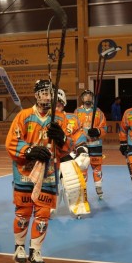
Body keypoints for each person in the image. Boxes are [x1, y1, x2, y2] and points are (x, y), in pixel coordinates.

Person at [5, 79, 73, 263]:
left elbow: (67, 148)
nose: (46, 96)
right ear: (36, 95)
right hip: (24, 173)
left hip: (48, 173)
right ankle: (19, 247)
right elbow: (11, 142)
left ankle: (35, 251)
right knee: (23, 212)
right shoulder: (23, 116)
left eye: (49, 93)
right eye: (43, 92)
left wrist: (62, 139)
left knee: (43, 214)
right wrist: (30, 151)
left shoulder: (60, 118)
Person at [54, 89, 90, 218]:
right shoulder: (41, 118)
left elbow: (79, 136)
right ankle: (47, 208)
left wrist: (82, 150)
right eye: (54, 102)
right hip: (49, 158)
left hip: (66, 156)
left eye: (59, 102)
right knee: (49, 188)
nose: (57, 105)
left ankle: (76, 206)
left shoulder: (72, 118)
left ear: (64, 103)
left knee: (73, 182)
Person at [74, 89, 107, 199]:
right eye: (85, 95)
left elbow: (104, 128)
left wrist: (98, 131)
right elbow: (74, 127)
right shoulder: (77, 112)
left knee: (97, 167)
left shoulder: (98, 112)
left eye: (90, 95)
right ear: (82, 98)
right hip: (82, 145)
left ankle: (98, 187)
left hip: (96, 144)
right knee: (82, 168)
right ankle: (83, 190)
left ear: (92, 98)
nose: (88, 97)